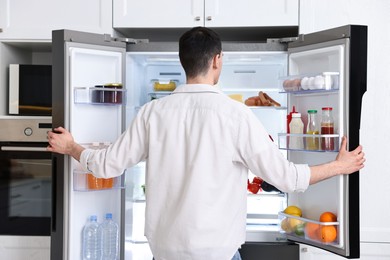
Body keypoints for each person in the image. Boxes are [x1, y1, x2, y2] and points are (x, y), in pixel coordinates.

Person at [47, 27, 365, 260]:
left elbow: (107, 165)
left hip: (165, 252)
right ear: (217, 60)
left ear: (183, 62)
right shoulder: (236, 115)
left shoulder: (151, 113)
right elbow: (286, 178)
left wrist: (72, 146)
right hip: (218, 253)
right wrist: (341, 165)